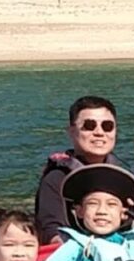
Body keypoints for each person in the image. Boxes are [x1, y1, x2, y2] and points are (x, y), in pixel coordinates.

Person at [34, 95, 123, 237]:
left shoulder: (123, 176)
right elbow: (51, 231)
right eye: (89, 126)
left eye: (107, 126)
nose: (99, 133)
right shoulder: (56, 178)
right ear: (71, 132)